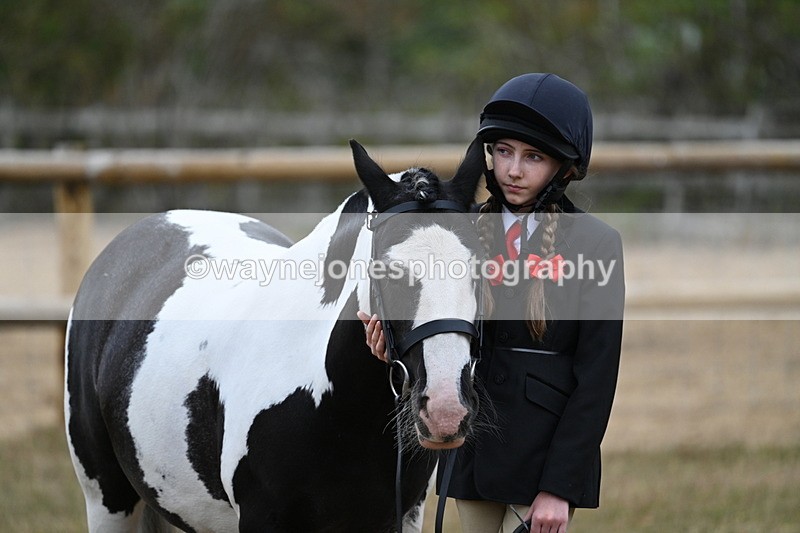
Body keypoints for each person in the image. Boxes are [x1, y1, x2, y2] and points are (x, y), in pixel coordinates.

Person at [358, 73, 624, 533]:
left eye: (533, 157)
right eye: (503, 152)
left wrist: (560, 487)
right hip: (474, 458)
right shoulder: (459, 232)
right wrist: (393, 350)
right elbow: (440, 336)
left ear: (565, 168)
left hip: (544, 465)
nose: (514, 171)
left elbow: (596, 380)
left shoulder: (597, 245)